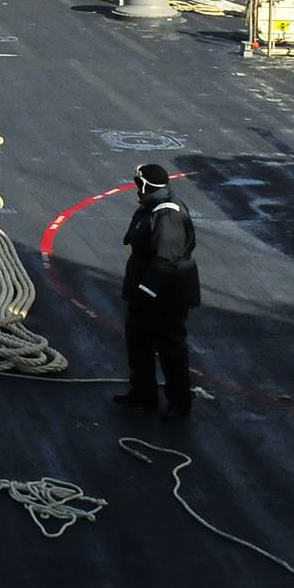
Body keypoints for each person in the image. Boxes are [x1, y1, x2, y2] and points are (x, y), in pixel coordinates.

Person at [115, 162, 201, 420]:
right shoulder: (153, 207)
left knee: (170, 347)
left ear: (145, 186)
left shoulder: (168, 215)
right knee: (138, 341)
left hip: (166, 296)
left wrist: (145, 293)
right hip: (148, 290)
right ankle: (143, 392)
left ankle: (179, 403)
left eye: (138, 185)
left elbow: (165, 262)